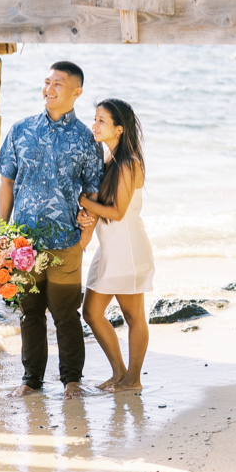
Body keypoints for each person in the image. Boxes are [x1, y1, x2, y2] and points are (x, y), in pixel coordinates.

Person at [0, 61, 103, 400]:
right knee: (29, 314)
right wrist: (1, 232)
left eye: (57, 84)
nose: (49, 89)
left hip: (66, 242)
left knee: (66, 315)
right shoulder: (20, 129)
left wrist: (85, 236)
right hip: (23, 243)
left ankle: (72, 382)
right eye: (46, 82)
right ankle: (31, 381)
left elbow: (93, 193)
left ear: (76, 92)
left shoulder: (86, 138)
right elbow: (6, 182)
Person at [76, 98, 154, 392]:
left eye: (101, 121)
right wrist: (88, 210)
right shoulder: (110, 160)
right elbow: (103, 206)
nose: (93, 126)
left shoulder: (129, 163)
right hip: (109, 249)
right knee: (92, 313)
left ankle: (132, 380)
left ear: (119, 129)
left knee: (134, 317)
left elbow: (118, 212)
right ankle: (120, 372)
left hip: (128, 250)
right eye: (94, 119)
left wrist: (82, 201)